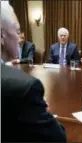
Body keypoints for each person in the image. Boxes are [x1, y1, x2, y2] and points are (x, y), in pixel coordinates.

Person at [1, 2, 67, 142]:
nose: (19, 39)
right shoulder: (24, 87)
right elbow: (58, 138)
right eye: (17, 31)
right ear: (1, 35)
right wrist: (43, 112)